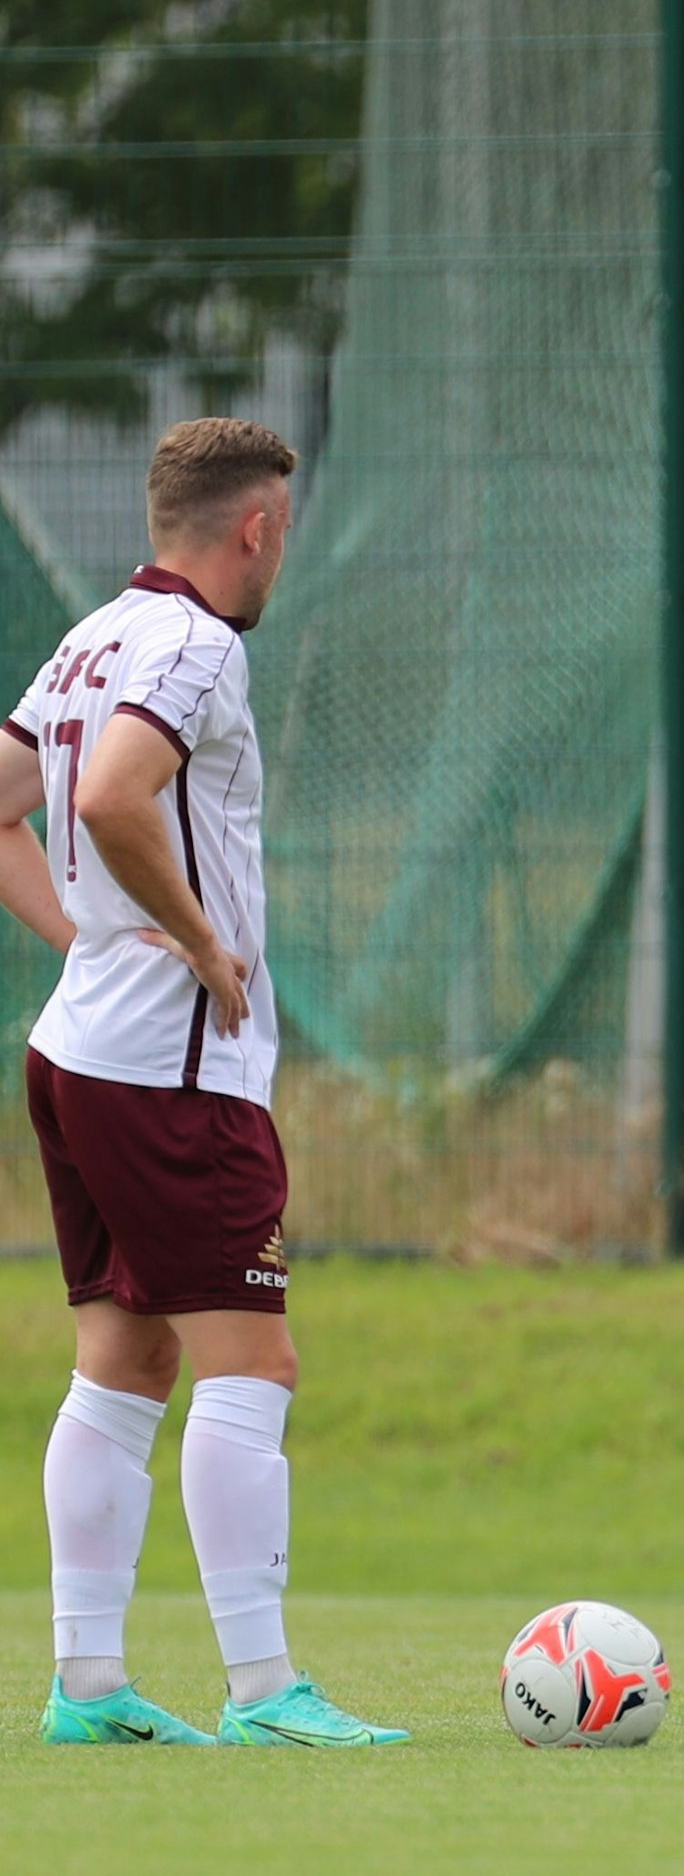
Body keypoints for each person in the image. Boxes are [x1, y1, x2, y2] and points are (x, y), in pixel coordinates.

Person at [0, 418, 406, 1748]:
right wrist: (191, 937)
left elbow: (5, 798)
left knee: (124, 1361)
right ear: (257, 527)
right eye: (284, 527)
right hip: (170, 1069)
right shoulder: (197, 644)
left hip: (78, 1050)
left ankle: (88, 1686)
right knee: (254, 1360)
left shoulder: (94, 636)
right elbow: (114, 797)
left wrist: (92, 940)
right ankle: (264, 1690)